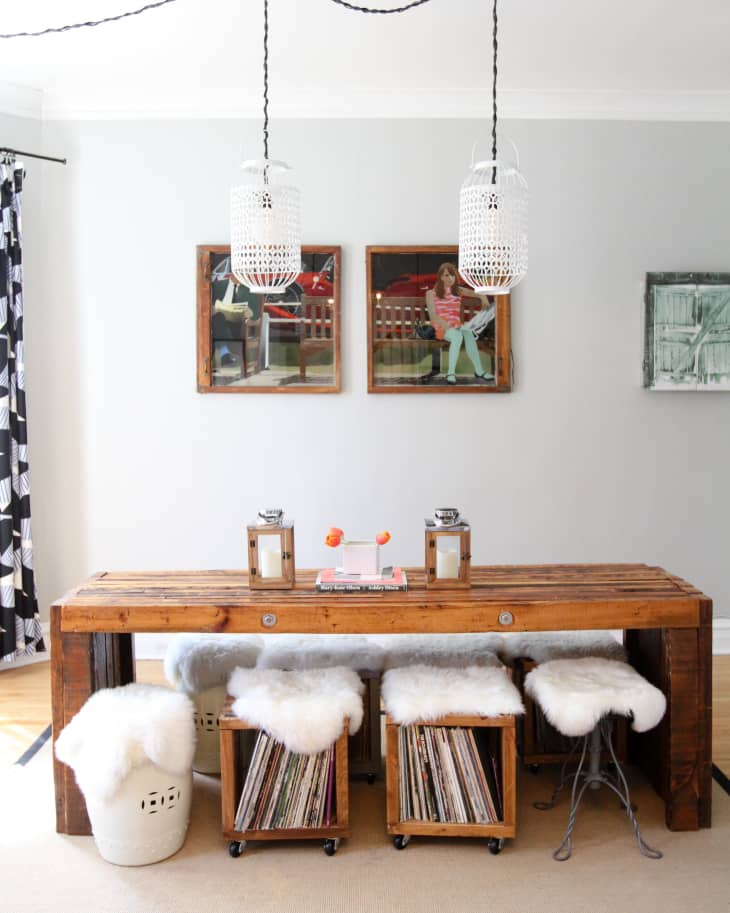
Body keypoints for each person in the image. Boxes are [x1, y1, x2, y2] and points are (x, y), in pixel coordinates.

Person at [425, 262, 494, 385]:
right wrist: (448, 326)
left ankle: (479, 370)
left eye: (452, 275)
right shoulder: (431, 293)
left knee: (468, 333)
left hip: (456, 326)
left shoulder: (458, 291)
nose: (450, 278)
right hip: (440, 327)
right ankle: (451, 373)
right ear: (441, 277)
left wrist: (483, 298)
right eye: (446, 275)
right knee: (457, 335)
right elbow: (433, 316)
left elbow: (478, 293)